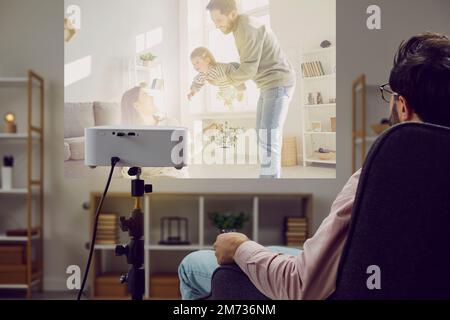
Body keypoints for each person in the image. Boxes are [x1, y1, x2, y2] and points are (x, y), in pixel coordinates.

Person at [178, 32, 450, 300]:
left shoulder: (380, 177)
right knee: (272, 248)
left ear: (403, 106)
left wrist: (238, 246)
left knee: (192, 264)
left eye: (390, 94)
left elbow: (301, 286)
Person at [206, 0, 296, 179]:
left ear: (232, 14)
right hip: (268, 85)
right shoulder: (241, 27)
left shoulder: (246, 27)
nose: (216, 25)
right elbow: (248, 64)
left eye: (218, 19)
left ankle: (269, 187)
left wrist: (223, 79)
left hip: (277, 83)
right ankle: (268, 180)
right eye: (213, 21)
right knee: (262, 137)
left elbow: (248, 69)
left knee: (268, 139)